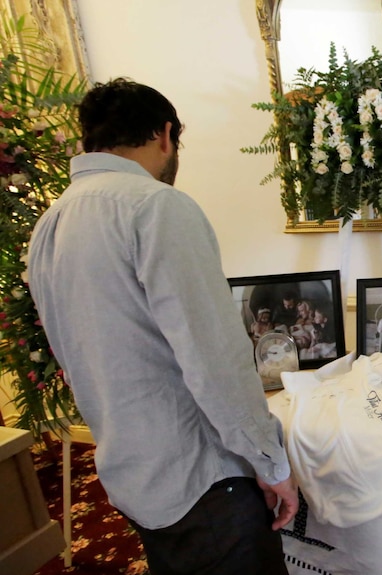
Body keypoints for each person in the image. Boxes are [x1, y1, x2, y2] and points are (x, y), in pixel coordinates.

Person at [27, 78, 298, 575]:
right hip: (202, 477)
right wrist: (271, 464)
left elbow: (71, 350)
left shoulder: (50, 224)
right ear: (165, 135)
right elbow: (215, 356)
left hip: (130, 469)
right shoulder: (156, 205)